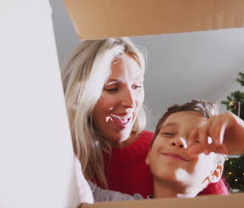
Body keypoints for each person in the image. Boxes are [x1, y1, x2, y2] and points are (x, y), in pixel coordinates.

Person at [62, 38, 228, 198]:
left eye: (137, 86)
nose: (132, 102)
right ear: (79, 95)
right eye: (112, 88)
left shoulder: (174, 156)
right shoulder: (65, 161)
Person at [79, 99, 244, 202]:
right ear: (149, 155)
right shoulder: (116, 206)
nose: (179, 142)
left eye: (198, 139)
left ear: (215, 173)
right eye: (168, 134)